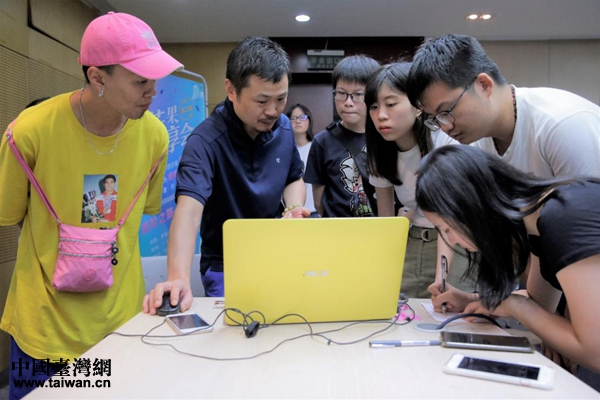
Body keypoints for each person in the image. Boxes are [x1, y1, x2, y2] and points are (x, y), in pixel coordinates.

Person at [0, 11, 182, 400]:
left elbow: (143, 211)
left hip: (122, 324)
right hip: (42, 327)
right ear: (98, 77)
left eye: (155, 79)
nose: (153, 91)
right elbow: (9, 214)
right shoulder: (29, 130)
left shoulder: (155, 136)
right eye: (140, 81)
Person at [407, 34, 600, 311]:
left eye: (446, 111)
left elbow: (588, 248)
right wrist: (479, 301)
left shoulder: (564, 126)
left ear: (484, 84)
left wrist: (563, 323)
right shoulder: (471, 143)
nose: (446, 126)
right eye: (435, 119)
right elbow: (541, 282)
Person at [143, 37, 309, 308]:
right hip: (225, 266)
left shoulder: (284, 128)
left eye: (281, 99)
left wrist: (293, 207)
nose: (273, 111)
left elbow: (293, 177)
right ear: (231, 90)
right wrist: (178, 278)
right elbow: (188, 212)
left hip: (276, 257)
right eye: (262, 101)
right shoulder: (205, 141)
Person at [415, 145, 600, 384]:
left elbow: (594, 351)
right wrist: (472, 300)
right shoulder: (537, 225)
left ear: (471, 206)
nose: (451, 241)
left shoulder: (563, 216)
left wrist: (515, 306)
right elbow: (539, 303)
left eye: (447, 228)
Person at [365, 62, 476, 298]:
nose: (381, 115)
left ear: (418, 107)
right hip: (415, 239)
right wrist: (382, 268)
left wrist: (441, 277)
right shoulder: (379, 152)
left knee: (446, 305)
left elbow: (450, 218)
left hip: (457, 240)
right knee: (397, 305)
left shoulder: (443, 141)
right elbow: (386, 222)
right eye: (374, 106)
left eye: (391, 104)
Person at [304, 55, 380, 217]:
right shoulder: (322, 141)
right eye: (341, 93)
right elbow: (319, 202)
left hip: (379, 226)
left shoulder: (385, 136)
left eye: (358, 94)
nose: (348, 102)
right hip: (337, 228)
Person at [285, 103, 319, 217]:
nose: (298, 121)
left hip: (315, 212)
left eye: (302, 117)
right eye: (293, 118)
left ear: (309, 120)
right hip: (291, 213)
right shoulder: (284, 150)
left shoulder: (317, 147)